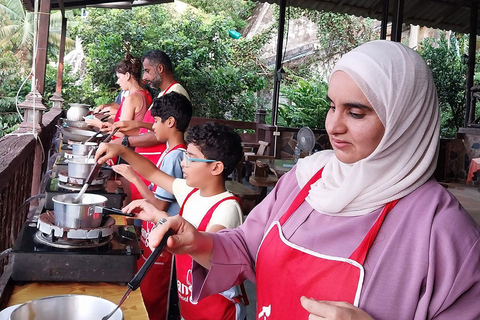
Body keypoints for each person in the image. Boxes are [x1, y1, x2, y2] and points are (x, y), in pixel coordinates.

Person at [144, 40, 480, 320]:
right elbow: (248, 247)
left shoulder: (445, 233)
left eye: (356, 112)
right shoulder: (307, 179)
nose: (333, 125)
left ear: (407, 119)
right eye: (332, 106)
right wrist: (200, 242)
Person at [95, 123, 247, 320]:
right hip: (190, 307)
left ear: (216, 167)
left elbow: (211, 255)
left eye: (191, 158)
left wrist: (161, 218)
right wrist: (121, 149)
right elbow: (151, 173)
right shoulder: (190, 192)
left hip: (218, 311)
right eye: (185, 156)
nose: (184, 163)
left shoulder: (227, 208)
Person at [112, 91, 192, 320]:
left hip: (166, 241)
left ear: (171, 122)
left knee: (159, 299)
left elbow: (159, 204)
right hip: (157, 234)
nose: (152, 126)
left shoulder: (176, 157)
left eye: (156, 121)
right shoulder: (171, 152)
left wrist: (133, 176)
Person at [112, 50, 190, 203]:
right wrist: (137, 124)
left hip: (159, 161)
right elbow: (157, 126)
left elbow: (161, 133)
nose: (144, 77)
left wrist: (125, 142)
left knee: (153, 205)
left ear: (160, 69)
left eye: (147, 71)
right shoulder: (163, 93)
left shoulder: (176, 93)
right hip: (152, 161)